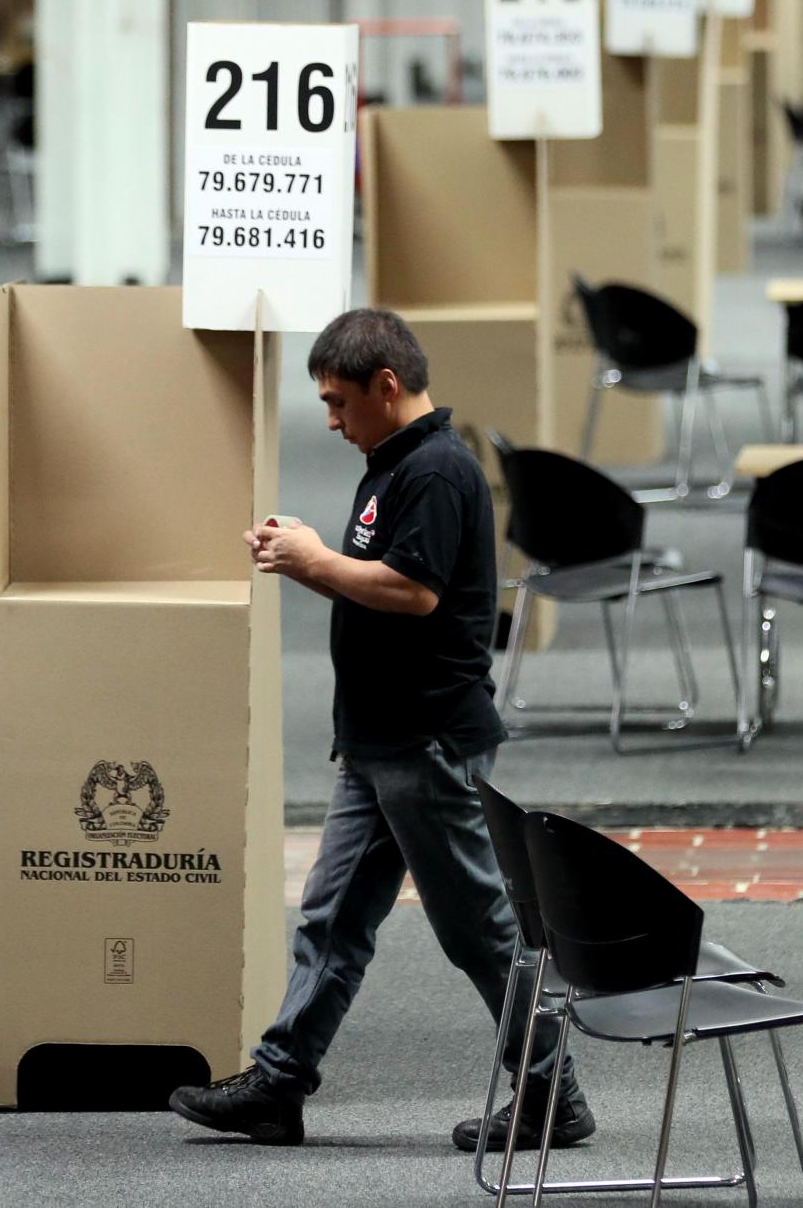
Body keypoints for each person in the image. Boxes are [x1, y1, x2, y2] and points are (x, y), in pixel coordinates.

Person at [168, 309, 592, 1150]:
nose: (330, 420)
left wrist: (315, 561)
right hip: (381, 741)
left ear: (386, 386)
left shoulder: (435, 470)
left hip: (426, 741)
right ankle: (279, 1083)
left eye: (338, 402)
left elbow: (414, 593)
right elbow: (380, 581)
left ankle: (554, 1096)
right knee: (333, 918)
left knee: (478, 931)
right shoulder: (394, 462)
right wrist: (312, 556)